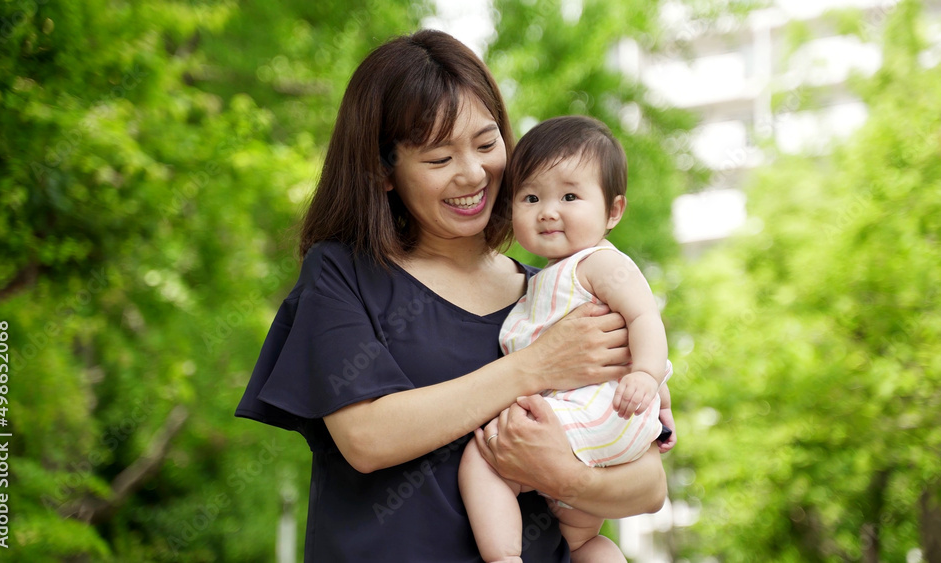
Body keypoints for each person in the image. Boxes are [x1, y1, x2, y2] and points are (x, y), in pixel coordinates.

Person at [235, 30, 668, 562]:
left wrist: (567, 477)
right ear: (382, 169)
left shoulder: (554, 296)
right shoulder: (343, 274)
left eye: (487, 144)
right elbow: (366, 437)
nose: (473, 173)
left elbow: (649, 486)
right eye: (439, 158)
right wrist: (533, 368)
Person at [459, 116, 676, 563]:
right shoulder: (547, 279)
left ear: (613, 211)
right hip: (605, 424)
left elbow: (645, 320)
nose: (548, 210)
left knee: (483, 457)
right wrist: (664, 416)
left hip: (601, 411)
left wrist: (647, 377)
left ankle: (503, 557)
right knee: (580, 539)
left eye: (570, 196)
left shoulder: (597, 263)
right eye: (531, 197)